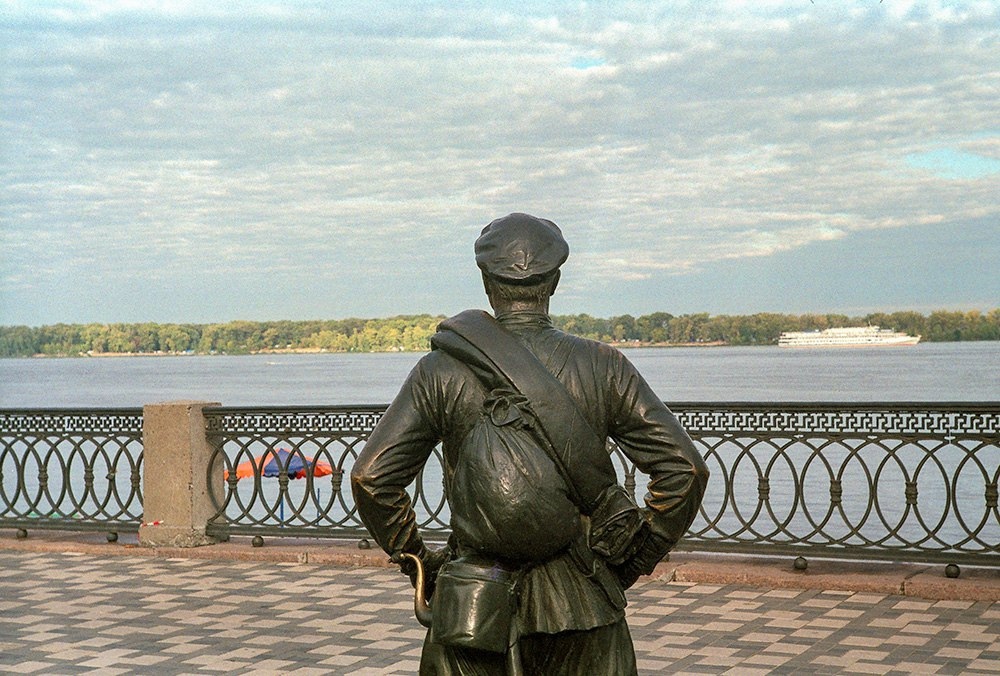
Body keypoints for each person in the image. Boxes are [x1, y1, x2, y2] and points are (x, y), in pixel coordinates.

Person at [351, 213, 709, 675]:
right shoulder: (602, 365)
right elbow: (686, 470)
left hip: (471, 603)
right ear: (554, 281)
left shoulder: (439, 371)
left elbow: (371, 477)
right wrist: (632, 561)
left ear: (486, 282)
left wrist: (422, 565)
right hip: (584, 601)